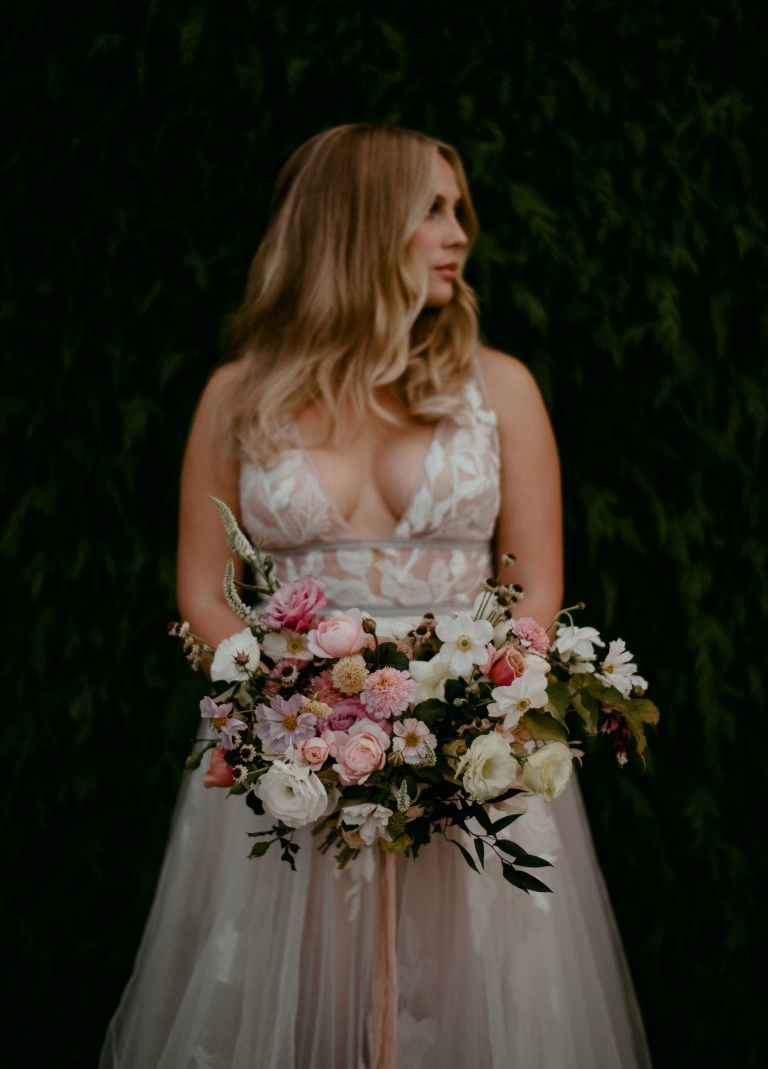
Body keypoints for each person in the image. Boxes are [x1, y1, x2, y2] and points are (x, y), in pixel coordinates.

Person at [99, 123, 652, 1068]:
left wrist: (474, 717)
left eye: (458, 209)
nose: (459, 232)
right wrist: (294, 720)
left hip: (476, 759)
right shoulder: (237, 397)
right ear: (361, 224)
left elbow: (536, 585)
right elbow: (203, 590)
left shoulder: (502, 389)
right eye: (433, 209)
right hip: (292, 759)